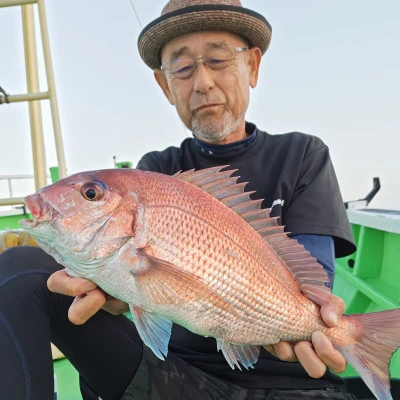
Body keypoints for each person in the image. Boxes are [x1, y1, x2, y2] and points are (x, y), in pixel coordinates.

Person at [0, 1, 357, 399]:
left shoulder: (302, 155)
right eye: (183, 68)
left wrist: (317, 321)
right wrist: (113, 295)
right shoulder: (155, 170)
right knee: (18, 270)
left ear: (253, 66)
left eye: (218, 59)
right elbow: (140, 294)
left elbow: (317, 284)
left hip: (293, 381)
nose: (203, 82)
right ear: (164, 85)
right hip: (176, 374)